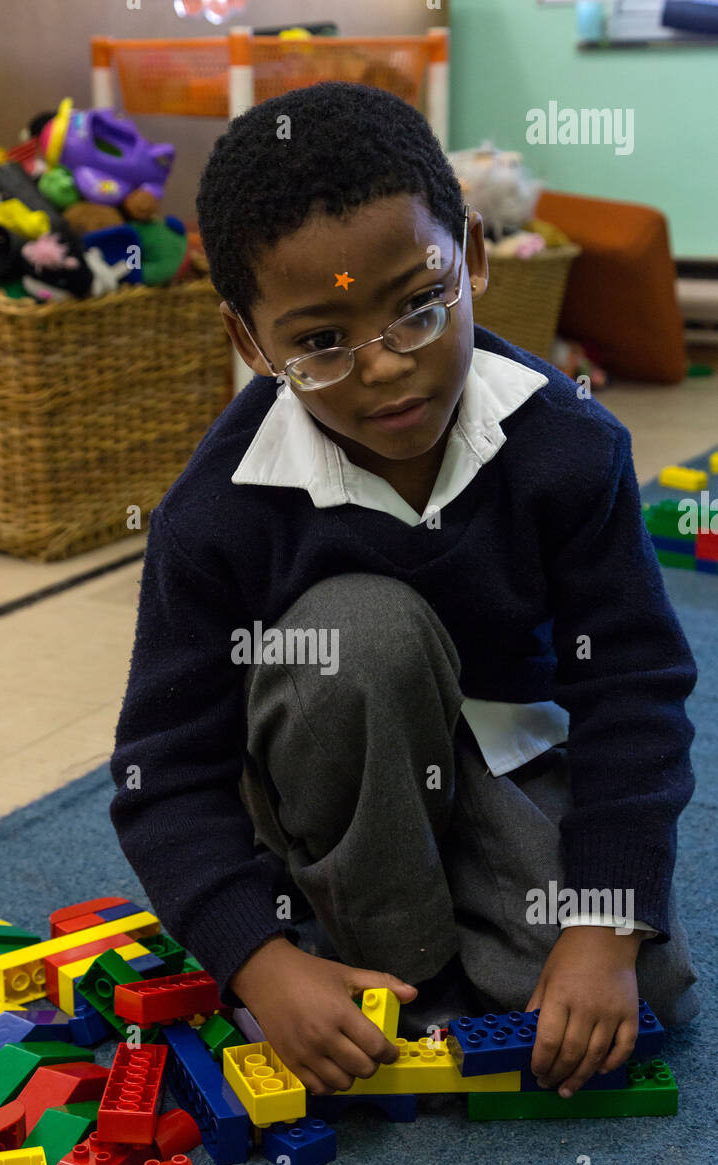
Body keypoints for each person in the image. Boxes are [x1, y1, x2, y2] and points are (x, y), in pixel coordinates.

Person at [110, 82, 699, 1099]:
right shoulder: (216, 513)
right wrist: (259, 957)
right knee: (361, 634)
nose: (385, 368)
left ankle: (439, 925)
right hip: (319, 775)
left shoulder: (567, 446)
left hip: (501, 752)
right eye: (319, 340)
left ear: (470, 258)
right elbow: (160, 774)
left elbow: (632, 690)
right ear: (252, 343)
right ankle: (403, 966)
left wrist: (600, 929)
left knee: (638, 990)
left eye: (418, 305)